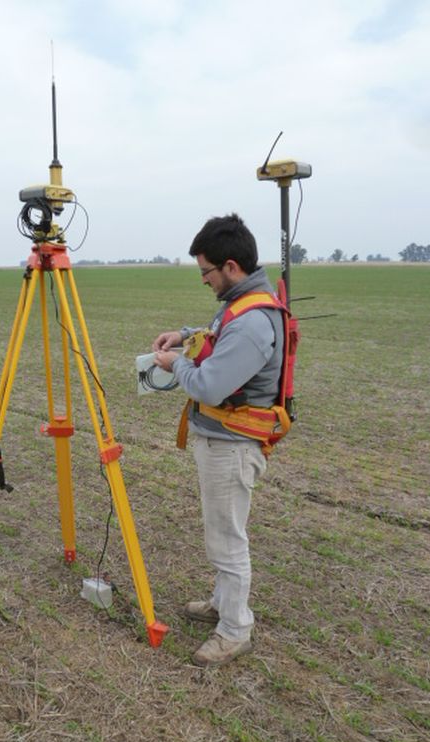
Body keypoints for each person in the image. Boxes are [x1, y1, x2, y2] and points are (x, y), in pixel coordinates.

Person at [152, 213, 286, 667]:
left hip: (232, 446)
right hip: (221, 440)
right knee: (221, 532)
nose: (205, 281)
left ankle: (235, 629)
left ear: (230, 266)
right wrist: (186, 335)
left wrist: (174, 365)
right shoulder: (240, 301)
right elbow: (218, 336)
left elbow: (209, 385)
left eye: (206, 272)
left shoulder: (252, 320)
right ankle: (222, 604)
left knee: (227, 538)